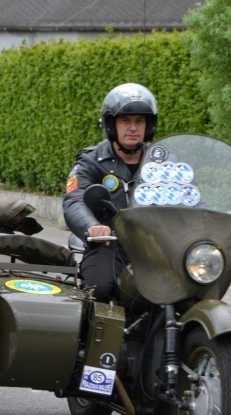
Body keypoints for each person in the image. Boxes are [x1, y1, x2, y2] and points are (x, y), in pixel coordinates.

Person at [63, 83, 158, 302]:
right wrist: (92, 226)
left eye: (139, 121)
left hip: (154, 246)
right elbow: (74, 200)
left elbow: (188, 196)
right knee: (99, 288)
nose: (133, 127)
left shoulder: (162, 162)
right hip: (108, 243)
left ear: (149, 125)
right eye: (125, 120)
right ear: (111, 124)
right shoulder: (90, 161)